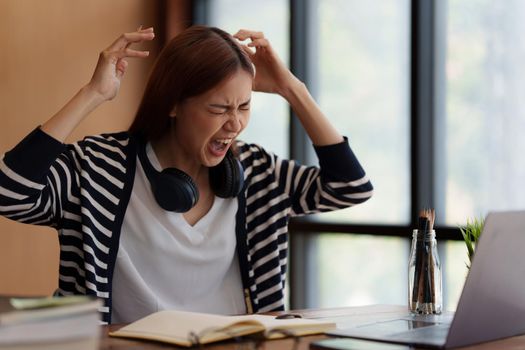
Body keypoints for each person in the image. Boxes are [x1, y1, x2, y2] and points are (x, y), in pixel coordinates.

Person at [0, 25, 373, 324]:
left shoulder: (258, 173)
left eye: (244, 106)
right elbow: (9, 193)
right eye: (219, 108)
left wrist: (293, 90)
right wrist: (92, 94)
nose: (235, 124)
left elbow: (350, 187)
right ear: (174, 104)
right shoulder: (98, 167)